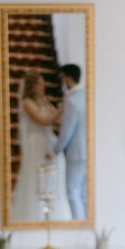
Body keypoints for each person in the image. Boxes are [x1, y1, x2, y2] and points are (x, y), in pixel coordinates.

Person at [10, 71, 71, 222]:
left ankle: (53, 213)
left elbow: (56, 119)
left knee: (52, 175)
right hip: (37, 142)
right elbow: (42, 121)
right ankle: (35, 214)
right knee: (36, 177)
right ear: (31, 86)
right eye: (38, 83)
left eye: (42, 83)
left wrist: (61, 113)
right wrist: (60, 109)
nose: (42, 86)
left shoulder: (44, 101)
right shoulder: (27, 103)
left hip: (49, 141)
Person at [53, 63, 87, 219]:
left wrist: (56, 149)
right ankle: (86, 223)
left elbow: (67, 129)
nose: (62, 82)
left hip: (76, 152)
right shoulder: (87, 96)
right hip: (88, 151)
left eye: (62, 78)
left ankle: (79, 226)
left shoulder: (71, 100)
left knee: (73, 191)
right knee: (84, 193)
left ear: (68, 78)